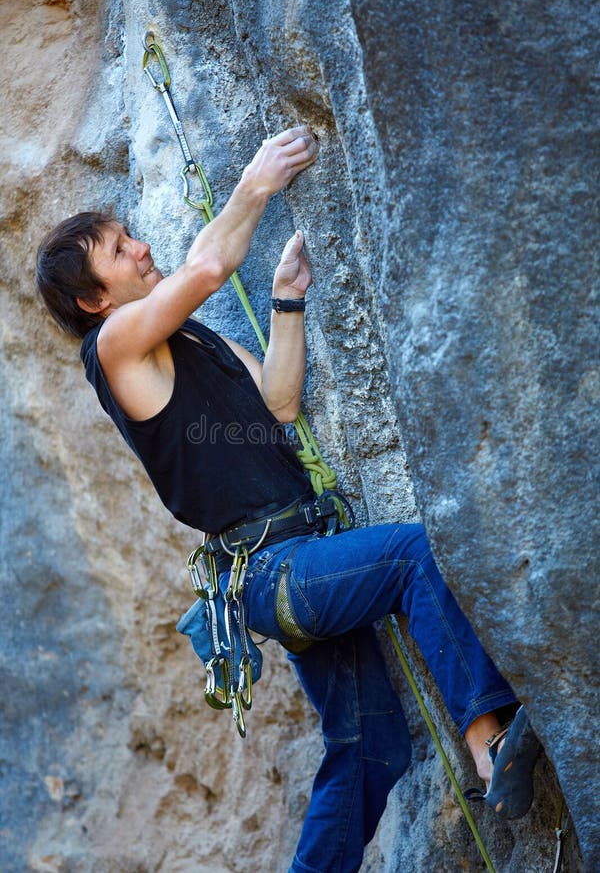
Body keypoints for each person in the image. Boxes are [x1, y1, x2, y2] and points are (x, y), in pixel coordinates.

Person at [36, 125, 541, 873]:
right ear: (94, 300)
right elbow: (208, 263)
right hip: (273, 570)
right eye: (120, 251)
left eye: (131, 237)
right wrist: (256, 182)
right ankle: (489, 745)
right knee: (410, 555)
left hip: (286, 565)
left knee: (370, 749)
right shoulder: (112, 352)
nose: (141, 248)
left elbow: (276, 403)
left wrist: (286, 301)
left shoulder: (193, 343)